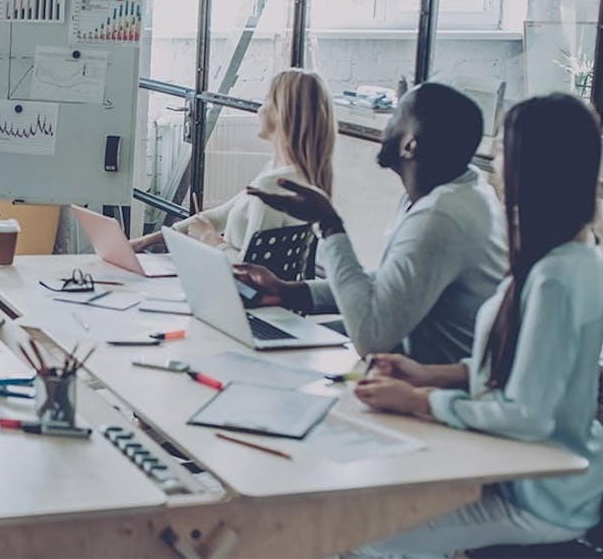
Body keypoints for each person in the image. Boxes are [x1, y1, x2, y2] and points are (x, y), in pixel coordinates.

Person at [347, 93, 603, 556]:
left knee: (361, 538)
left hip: (539, 497)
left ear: (534, 166)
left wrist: (421, 401)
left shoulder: (556, 279)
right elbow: (531, 370)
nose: (493, 161)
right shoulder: (572, 253)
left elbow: (527, 414)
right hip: (522, 468)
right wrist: (430, 374)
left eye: (503, 149)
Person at [238, 82, 507, 364]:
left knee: (262, 356)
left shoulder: (440, 217)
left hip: (427, 382)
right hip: (407, 357)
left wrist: (329, 224)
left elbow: (371, 336)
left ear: (409, 145)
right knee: (266, 340)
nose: (385, 126)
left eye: (395, 116)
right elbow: (385, 287)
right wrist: (287, 292)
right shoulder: (457, 189)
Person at [130, 69, 337, 263]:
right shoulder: (296, 176)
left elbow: (250, 270)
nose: (260, 109)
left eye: (267, 101)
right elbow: (220, 215)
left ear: (283, 114)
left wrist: (209, 238)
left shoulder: (273, 185)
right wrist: (146, 241)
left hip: (236, 295)